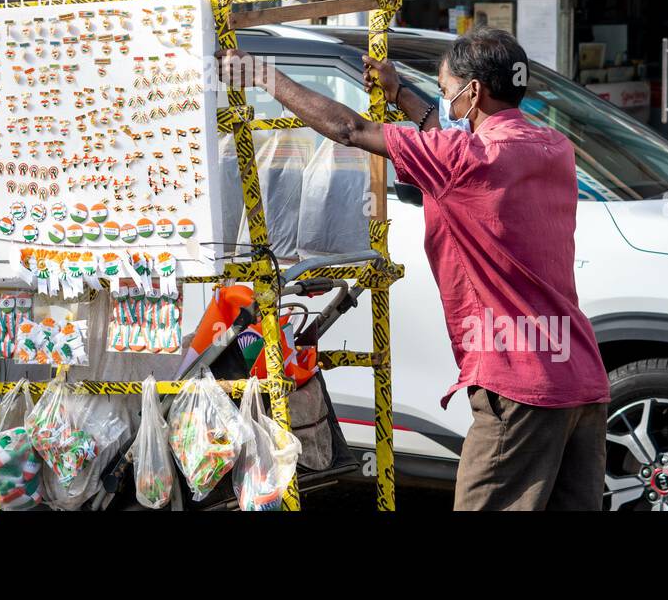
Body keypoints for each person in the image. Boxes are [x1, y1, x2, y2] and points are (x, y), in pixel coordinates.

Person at [217, 27, 611, 510]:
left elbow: (349, 130)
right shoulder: (552, 148)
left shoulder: (464, 158)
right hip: (581, 376)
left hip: (519, 383)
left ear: (474, 91)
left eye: (446, 93)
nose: (446, 105)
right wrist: (400, 92)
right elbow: (452, 149)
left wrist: (259, 73)